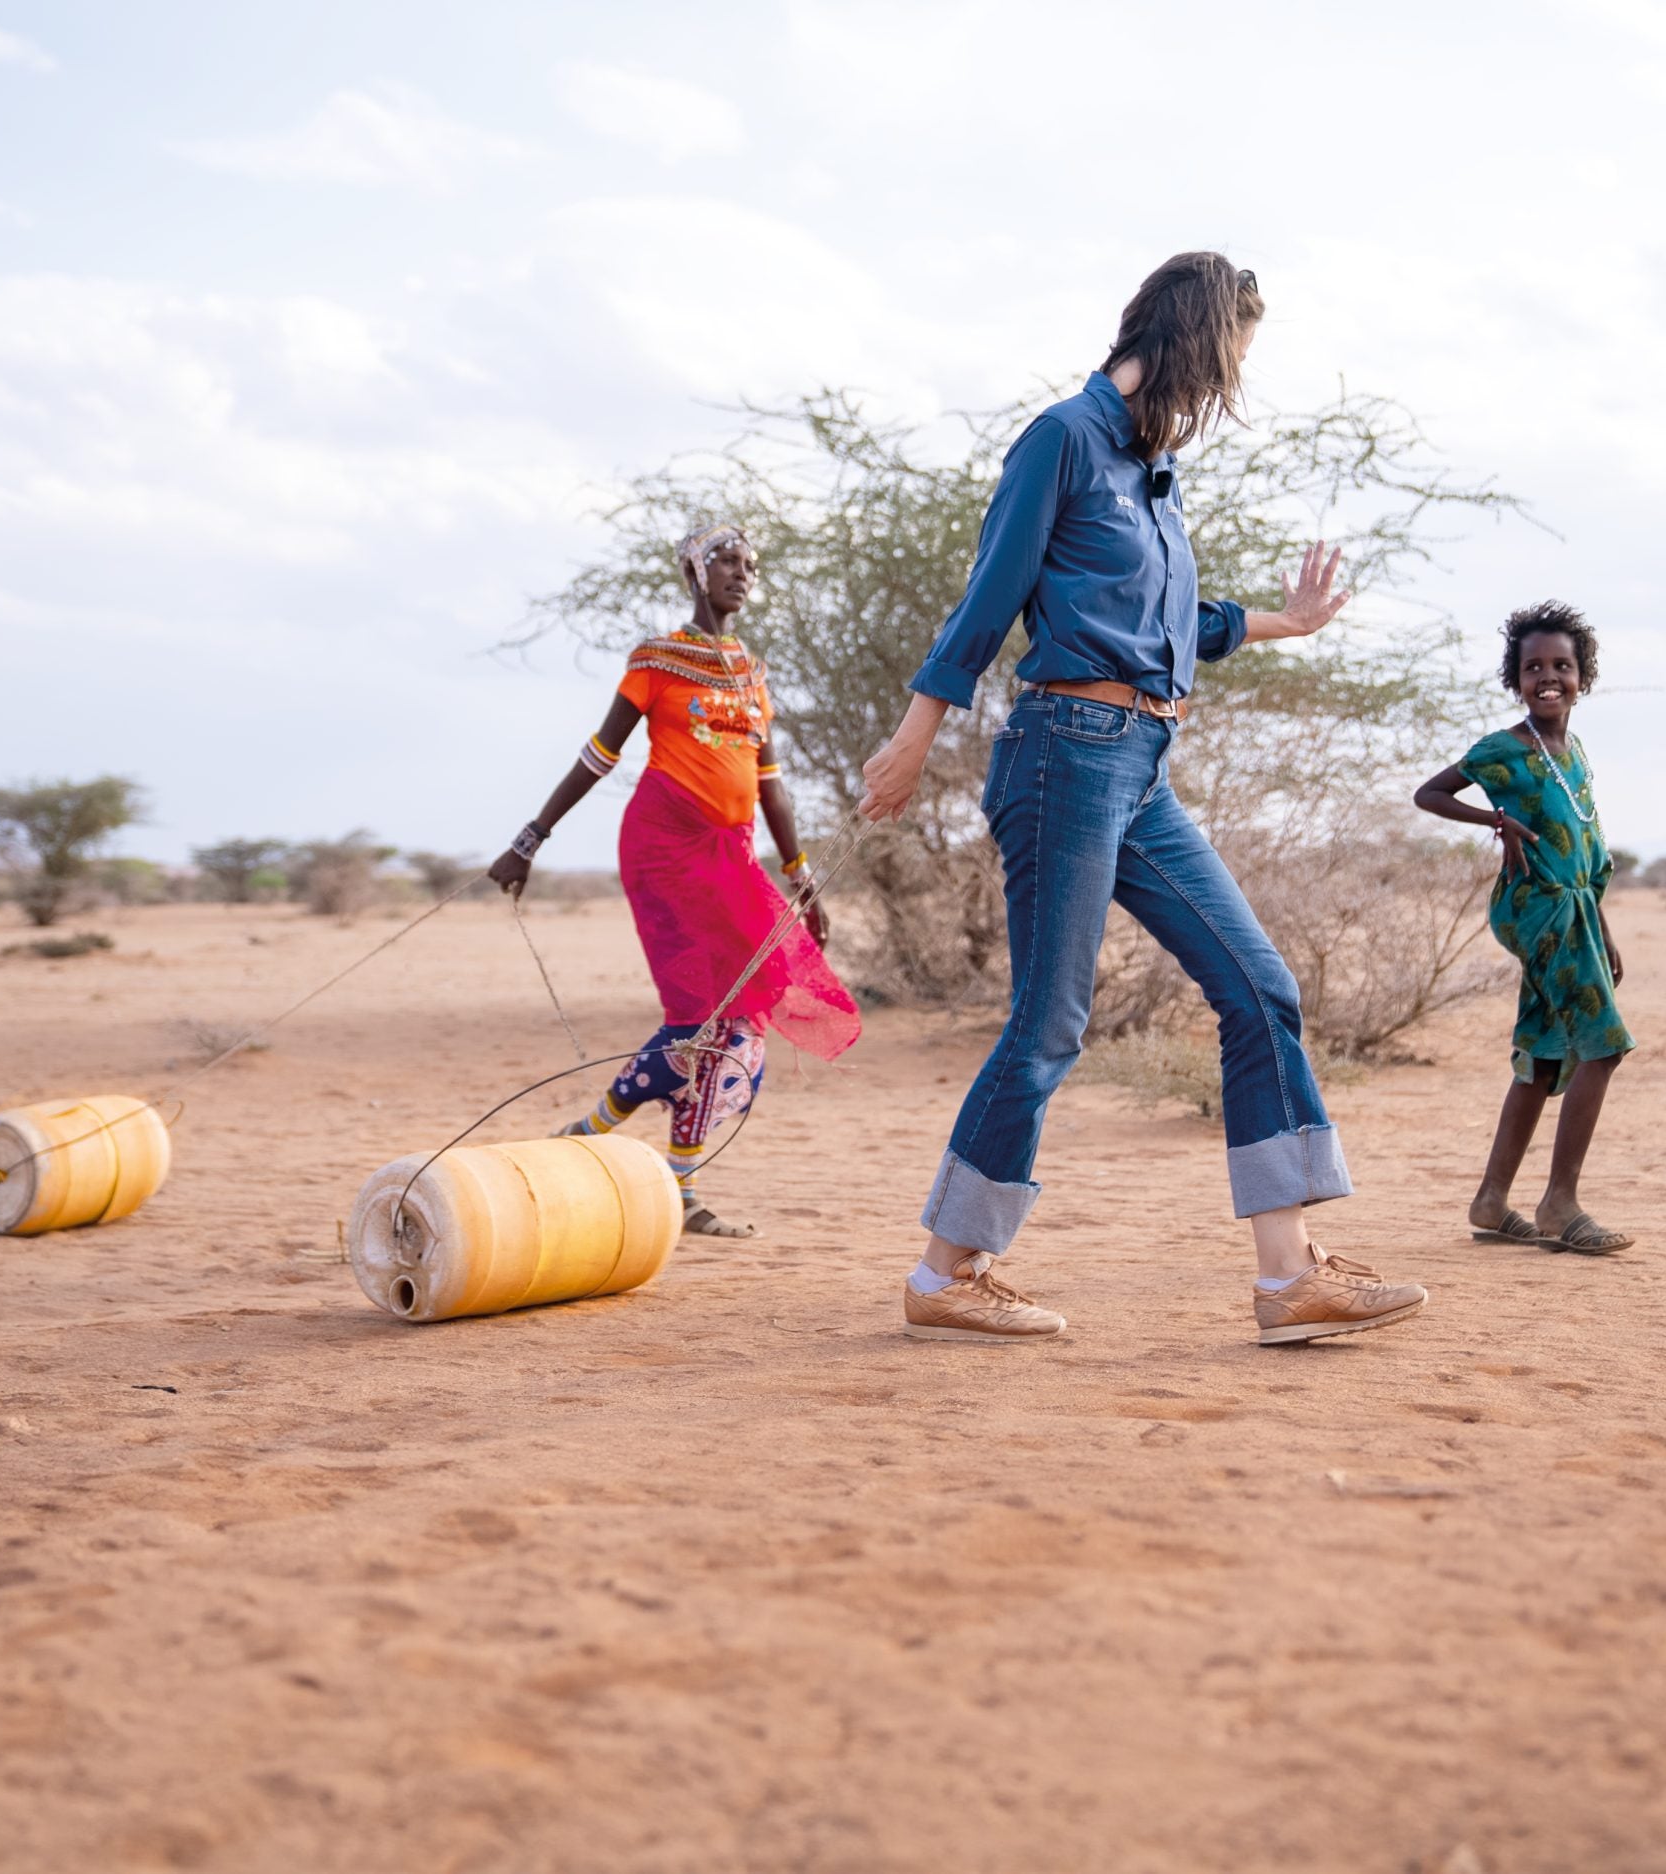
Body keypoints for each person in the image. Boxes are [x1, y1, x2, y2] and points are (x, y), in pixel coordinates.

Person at [856, 252, 1430, 1346]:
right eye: (1235, 360)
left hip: (1142, 767)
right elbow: (991, 597)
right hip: (1062, 752)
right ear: (1196, 343)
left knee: (1260, 988)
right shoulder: (1062, 440)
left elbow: (1173, 621)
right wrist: (914, 732)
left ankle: (1286, 1279)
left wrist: (1286, 624)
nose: (1230, 388)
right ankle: (943, 1276)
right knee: (1048, 1027)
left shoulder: (1151, 474)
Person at [488, 524, 860, 1237]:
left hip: (734, 857)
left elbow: (770, 784)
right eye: (726, 559)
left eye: (750, 564)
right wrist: (529, 840)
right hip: (663, 849)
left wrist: (800, 875)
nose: (742, 572)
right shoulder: (657, 659)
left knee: (740, 1025)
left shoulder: (751, 673)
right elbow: (600, 756)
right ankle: (630, 1155)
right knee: (695, 1017)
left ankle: (639, 1158)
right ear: (694, 569)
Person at [1412, 600, 1635, 1255]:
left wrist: (1603, 926)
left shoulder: (1577, 751)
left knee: (1542, 1055)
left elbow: (1587, 849)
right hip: (1537, 909)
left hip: (1575, 910)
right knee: (1604, 1045)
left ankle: (1491, 1199)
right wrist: (1495, 822)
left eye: (1561, 666)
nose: (1548, 676)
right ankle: (1560, 1204)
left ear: (1581, 677)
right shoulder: (1503, 750)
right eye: (1532, 666)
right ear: (1515, 679)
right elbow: (1430, 793)